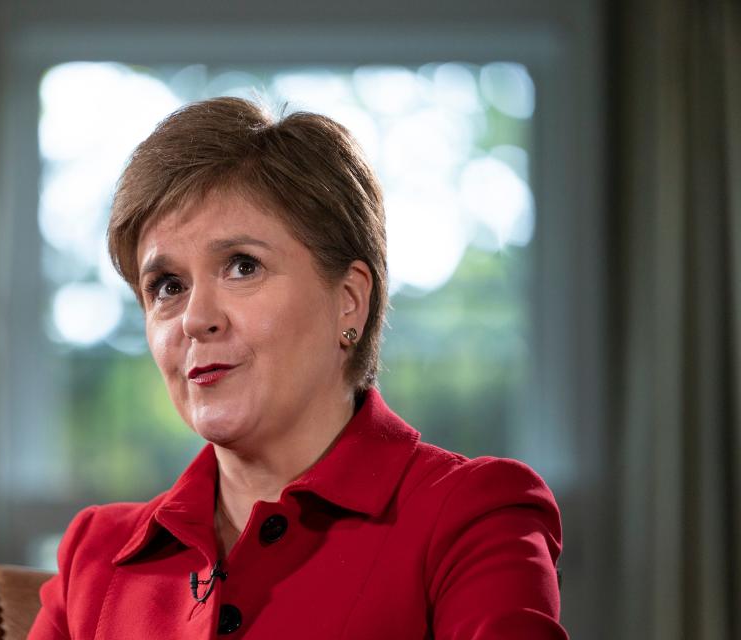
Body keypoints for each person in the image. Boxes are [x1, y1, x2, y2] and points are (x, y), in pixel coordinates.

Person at [28, 97, 567, 639]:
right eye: (168, 286)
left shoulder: (472, 517)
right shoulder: (94, 554)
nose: (195, 319)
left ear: (349, 301)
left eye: (242, 266)